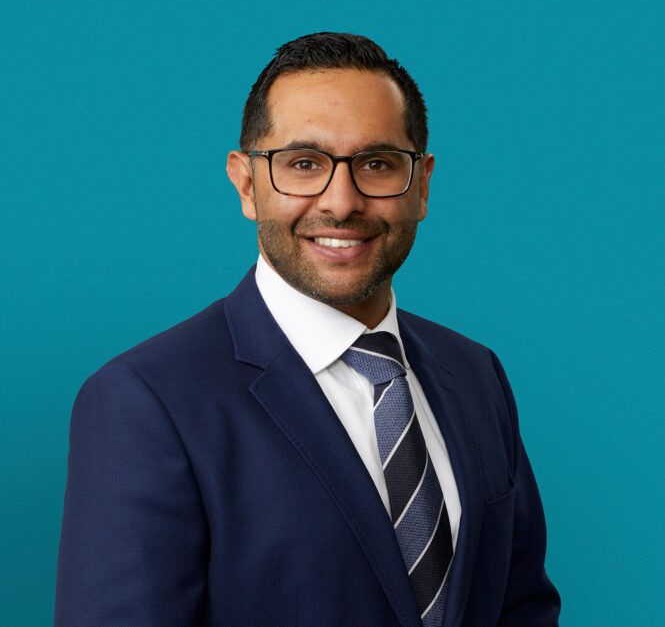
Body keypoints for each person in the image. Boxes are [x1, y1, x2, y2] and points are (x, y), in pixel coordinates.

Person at [54, 32, 561, 627]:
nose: (341, 203)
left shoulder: (475, 374)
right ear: (247, 184)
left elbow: (522, 607)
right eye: (303, 164)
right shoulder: (146, 401)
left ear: (421, 185)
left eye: (377, 164)